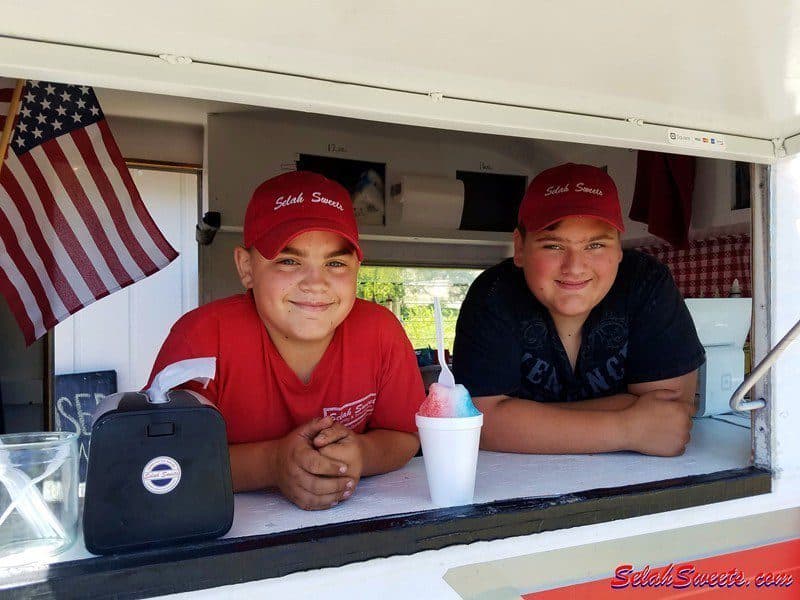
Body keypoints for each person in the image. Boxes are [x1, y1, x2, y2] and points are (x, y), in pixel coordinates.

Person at [147, 171, 424, 510]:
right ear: (246, 267)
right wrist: (273, 463)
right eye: (289, 261)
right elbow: (158, 465)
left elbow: (405, 437)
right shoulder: (200, 338)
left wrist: (362, 454)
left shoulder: (381, 331)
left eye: (335, 263)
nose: (315, 282)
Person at [453, 163, 704, 457]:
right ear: (520, 248)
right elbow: (480, 423)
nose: (574, 267)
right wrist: (628, 427)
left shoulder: (645, 283)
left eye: (596, 244)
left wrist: (520, 418)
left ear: (619, 248)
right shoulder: (493, 294)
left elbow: (670, 415)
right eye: (553, 246)